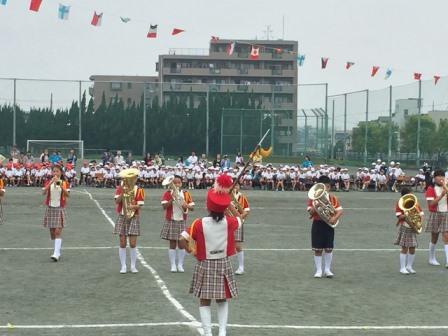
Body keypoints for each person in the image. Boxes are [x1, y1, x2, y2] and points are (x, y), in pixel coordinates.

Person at [179, 174, 241, 336]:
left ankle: (207, 333)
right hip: (223, 263)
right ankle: (222, 332)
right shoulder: (230, 222)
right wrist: (229, 203)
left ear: (208, 206)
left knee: (204, 300)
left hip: (205, 263)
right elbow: (240, 218)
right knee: (222, 299)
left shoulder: (198, 223)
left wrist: (192, 251)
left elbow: (181, 240)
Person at [307, 175, 343, 278]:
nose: (325, 189)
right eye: (322, 187)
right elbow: (310, 212)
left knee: (329, 248)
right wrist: (316, 204)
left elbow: (340, 210)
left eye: (327, 187)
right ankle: (319, 270)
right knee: (317, 249)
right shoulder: (312, 198)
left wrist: (334, 218)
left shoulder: (332, 198)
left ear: (329, 187)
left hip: (329, 224)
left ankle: (327, 269)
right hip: (317, 223)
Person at [160, 175, 195, 272]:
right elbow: (164, 206)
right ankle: (173, 265)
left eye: (178, 182)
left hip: (181, 220)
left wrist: (186, 205)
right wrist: (172, 199)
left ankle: (180, 264)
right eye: (174, 183)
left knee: (181, 243)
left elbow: (192, 208)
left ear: (181, 183)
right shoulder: (168, 193)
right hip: (171, 220)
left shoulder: (186, 193)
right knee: (172, 243)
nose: (176, 184)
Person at [113, 168, 145, 274]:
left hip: (133, 216)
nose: (131, 179)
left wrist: (133, 206)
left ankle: (133, 266)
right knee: (122, 243)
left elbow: (140, 205)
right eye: (129, 177)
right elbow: (117, 201)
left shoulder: (139, 190)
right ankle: (123, 266)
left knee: (132, 243)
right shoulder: (120, 188)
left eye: (133, 178)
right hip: (122, 216)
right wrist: (123, 192)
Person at [42, 165, 70, 262]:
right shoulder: (49, 181)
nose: (55, 173)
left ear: (61, 173)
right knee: (52, 233)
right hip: (50, 208)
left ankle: (56, 253)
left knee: (58, 231)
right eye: (54, 171)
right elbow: (43, 192)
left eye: (57, 172)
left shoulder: (64, 182)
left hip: (59, 208)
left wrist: (61, 185)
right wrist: (50, 183)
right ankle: (57, 250)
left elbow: (67, 195)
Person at [394, 187, 423, 274]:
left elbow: (421, 213)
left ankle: (409, 266)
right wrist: (406, 213)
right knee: (404, 247)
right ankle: (402, 268)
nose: (412, 195)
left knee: (413, 247)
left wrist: (420, 220)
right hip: (405, 226)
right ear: (405, 195)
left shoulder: (415, 202)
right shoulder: (400, 203)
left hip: (413, 227)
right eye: (410, 194)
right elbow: (398, 215)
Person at [425, 169, 448, 267]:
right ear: (434, 178)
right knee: (434, 237)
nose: (441, 178)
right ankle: (431, 258)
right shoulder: (430, 188)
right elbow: (431, 204)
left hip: (446, 213)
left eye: (443, 176)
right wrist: (442, 195)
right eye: (439, 176)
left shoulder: (446, 186)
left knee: (446, 237)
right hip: (435, 214)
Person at [230, 182, 250, 275]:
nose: (234, 188)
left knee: (237, 246)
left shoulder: (242, 197)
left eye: (236, 186)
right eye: (233, 186)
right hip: (227, 222)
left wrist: (241, 217)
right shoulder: (226, 196)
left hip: (238, 222)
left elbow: (246, 211)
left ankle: (241, 267)